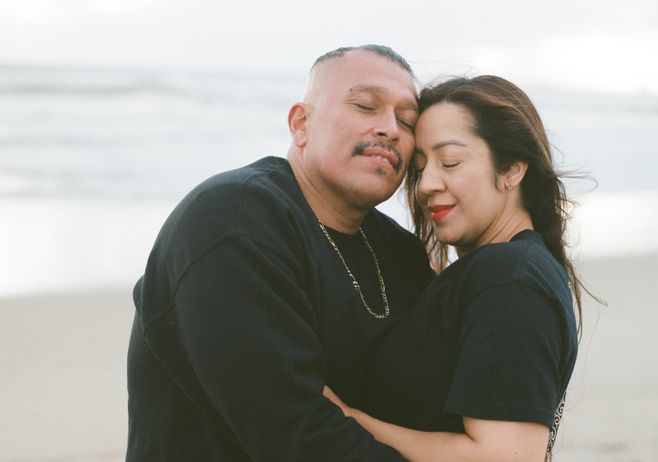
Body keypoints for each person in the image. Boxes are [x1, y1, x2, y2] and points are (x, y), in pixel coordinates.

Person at [125, 45, 435, 461]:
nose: (390, 129)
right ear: (301, 124)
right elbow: (295, 436)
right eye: (365, 105)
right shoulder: (234, 220)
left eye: (406, 120)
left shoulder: (399, 252)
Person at [324, 75, 584, 461]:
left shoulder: (511, 281)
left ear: (512, 168)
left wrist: (347, 420)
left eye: (451, 162)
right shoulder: (512, 271)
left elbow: (504, 457)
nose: (426, 184)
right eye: (419, 167)